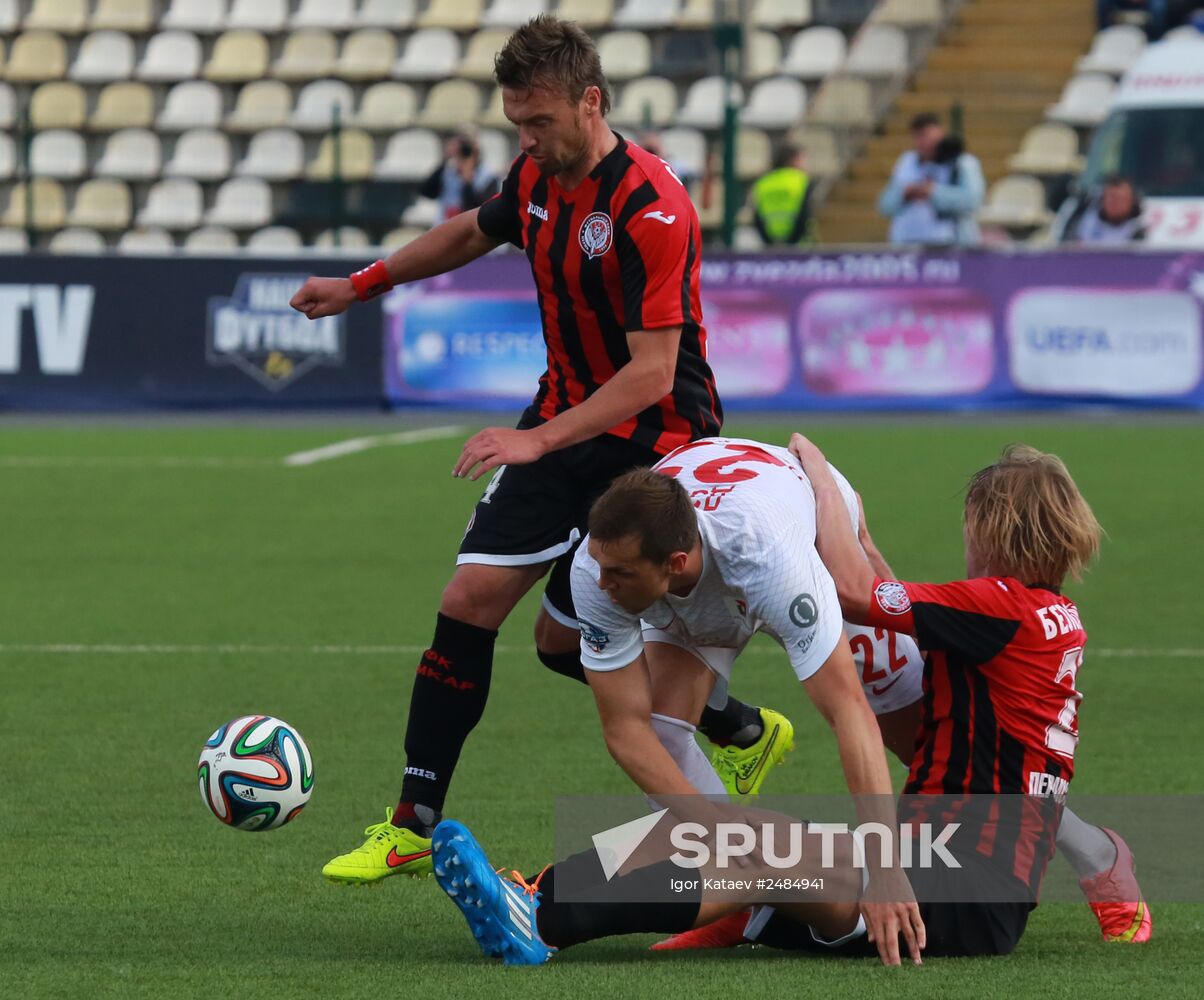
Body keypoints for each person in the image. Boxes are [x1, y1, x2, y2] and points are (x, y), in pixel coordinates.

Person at [288, 15, 784, 885]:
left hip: (655, 447)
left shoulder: (652, 204)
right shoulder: (534, 178)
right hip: (560, 424)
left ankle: (736, 726)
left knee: (561, 644)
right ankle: (413, 819)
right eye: (517, 122)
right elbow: (469, 232)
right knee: (469, 598)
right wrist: (362, 284)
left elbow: (653, 370)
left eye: (539, 121)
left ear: (590, 103)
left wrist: (536, 439)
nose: (526, 137)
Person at [429, 439, 1116, 966]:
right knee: (744, 841)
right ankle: (535, 896)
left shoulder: (1000, 606)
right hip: (951, 861)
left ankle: (542, 918)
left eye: (973, 525)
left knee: (756, 851)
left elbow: (857, 596)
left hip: (965, 887)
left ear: (996, 532)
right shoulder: (1040, 615)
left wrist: (818, 477)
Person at [878, 113, 985, 246]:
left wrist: (934, 192)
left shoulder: (962, 163)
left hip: (950, 246)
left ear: (940, 134)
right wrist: (904, 194)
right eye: (919, 137)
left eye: (928, 136)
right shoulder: (907, 162)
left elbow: (973, 200)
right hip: (908, 245)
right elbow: (885, 206)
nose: (924, 142)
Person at [419, 131, 501, 221]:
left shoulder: (488, 176)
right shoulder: (447, 170)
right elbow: (427, 192)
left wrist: (468, 182)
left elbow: (483, 210)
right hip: (445, 225)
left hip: (470, 228)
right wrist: (446, 159)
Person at [751, 144, 813, 247]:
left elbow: (757, 219)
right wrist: (791, 242)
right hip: (798, 246)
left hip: (770, 245)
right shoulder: (802, 180)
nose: (805, 164)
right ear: (793, 160)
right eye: (802, 160)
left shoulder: (763, 182)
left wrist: (771, 242)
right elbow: (805, 215)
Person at [1070, 175, 1146, 244]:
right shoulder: (1084, 223)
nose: (1115, 203)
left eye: (1120, 199)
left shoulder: (1141, 230)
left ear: (1132, 202)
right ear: (1102, 200)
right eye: (1111, 198)